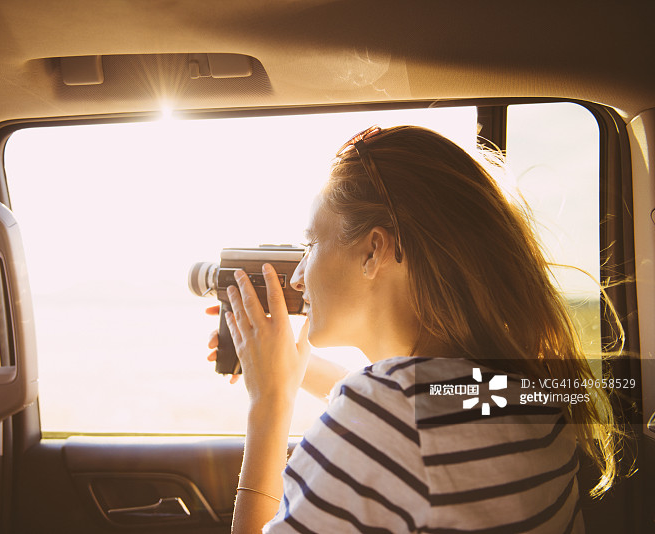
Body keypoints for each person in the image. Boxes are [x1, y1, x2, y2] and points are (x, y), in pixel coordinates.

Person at [207, 125, 619, 533]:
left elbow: (395, 415)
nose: (298, 278)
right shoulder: (522, 390)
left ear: (373, 250)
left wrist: (270, 401)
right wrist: (292, 371)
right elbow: (417, 409)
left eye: (311, 244)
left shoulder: (384, 413)